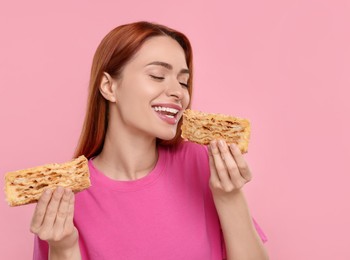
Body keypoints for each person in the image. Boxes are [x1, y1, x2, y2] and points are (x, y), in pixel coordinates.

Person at [30, 21, 268, 260]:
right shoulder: (65, 197)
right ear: (109, 86)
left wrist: (230, 197)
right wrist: (63, 249)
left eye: (183, 81)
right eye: (157, 76)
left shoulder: (202, 163)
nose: (179, 92)